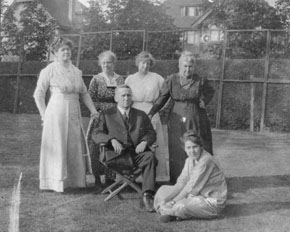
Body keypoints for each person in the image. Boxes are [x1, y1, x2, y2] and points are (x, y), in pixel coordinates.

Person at [33, 37, 99, 192]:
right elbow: (38, 94)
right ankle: (54, 182)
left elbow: (84, 93)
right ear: (55, 52)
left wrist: (93, 111)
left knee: (74, 144)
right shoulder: (49, 70)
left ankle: (74, 181)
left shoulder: (76, 71)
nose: (66, 52)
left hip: (74, 110)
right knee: (58, 144)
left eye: (68, 49)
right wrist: (44, 116)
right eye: (62, 49)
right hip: (56, 112)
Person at [148, 51, 215, 184]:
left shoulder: (200, 80)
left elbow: (210, 92)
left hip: (196, 117)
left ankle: (199, 180)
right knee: (177, 148)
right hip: (176, 117)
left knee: (196, 146)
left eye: (190, 66)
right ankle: (177, 181)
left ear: (194, 67)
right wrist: (151, 113)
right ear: (179, 66)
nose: (187, 69)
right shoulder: (172, 80)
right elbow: (162, 98)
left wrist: (204, 101)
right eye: (184, 66)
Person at [92, 84, 157, 212]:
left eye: (128, 95)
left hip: (136, 154)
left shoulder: (141, 115)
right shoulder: (106, 114)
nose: (126, 98)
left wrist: (144, 142)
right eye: (123, 95)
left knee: (150, 156)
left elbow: (151, 133)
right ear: (116, 98)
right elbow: (96, 134)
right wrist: (111, 139)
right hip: (115, 156)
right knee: (148, 157)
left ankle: (147, 195)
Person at [153, 131, 227, 222]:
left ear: (201, 147)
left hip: (211, 201)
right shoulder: (189, 160)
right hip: (196, 195)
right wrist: (166, 199)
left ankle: (171, 213)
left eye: (195, 147)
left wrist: (172, 202)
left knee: (181, 205)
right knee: (163, 190)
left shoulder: (206, 161)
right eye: (188, 147)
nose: (192, 151)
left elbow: (190, 186)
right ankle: (171, 212)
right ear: (184, 148)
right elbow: (181, 183)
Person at [125, 51, 168, 181]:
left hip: (151, 112)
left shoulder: (157, 78)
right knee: (135, 141)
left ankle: (153, 177)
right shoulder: (130, 79)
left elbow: (165, 95)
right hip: (134, 112)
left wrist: (160, 109)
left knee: (151, 141)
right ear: (138, 63)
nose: (145, 66)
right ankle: (134, 177)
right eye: (143, 63)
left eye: (148, 63)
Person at [87, 50, 125, 187]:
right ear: (100, 64)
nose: (106, 65)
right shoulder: (96, 79)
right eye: (103, 63)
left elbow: (123, 97)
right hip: (99, 116)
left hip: (115, 118)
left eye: (109, 62)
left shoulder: (120, 79)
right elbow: (90, 99)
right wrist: (99, 111)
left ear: (114, 63)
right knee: (95, 145)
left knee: (113, 145)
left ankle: (110, 178)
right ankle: (97, 177)